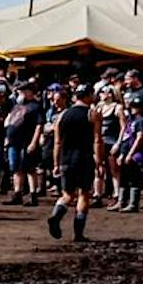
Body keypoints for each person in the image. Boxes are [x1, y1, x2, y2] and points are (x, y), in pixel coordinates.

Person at [47, 82, 98, 244]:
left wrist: (56, 163)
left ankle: (56, 215)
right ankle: (78, 234)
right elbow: (98, 140)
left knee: (67, 194)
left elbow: (57, 142)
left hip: (66, 158)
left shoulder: (63, 115)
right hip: (84, 158)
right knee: (84, 194)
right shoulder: (92, 113)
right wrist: (100, 161)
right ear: (88, 96)